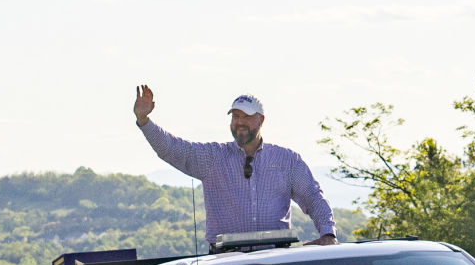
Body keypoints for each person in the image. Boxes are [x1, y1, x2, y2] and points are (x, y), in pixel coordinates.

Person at [133, 85, 336, 249]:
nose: (240, 122)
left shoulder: (287, 160)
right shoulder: (212, 157)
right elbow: (171, 149)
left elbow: (312, 196)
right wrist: (144, 120)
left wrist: (328, 234)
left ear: (261, 119)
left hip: (275, 263)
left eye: (246, 117)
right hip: (225, 264)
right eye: (235, 117)